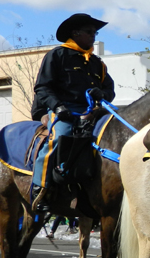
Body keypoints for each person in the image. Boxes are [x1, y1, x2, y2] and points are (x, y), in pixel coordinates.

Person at [30, 13, 115, 211]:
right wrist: (58, 107)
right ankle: (40, 188)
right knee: (61, 136)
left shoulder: (97, 63)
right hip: (64, 111)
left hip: (92, 112)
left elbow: (110, 91)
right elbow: (42, 87)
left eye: (95, 32)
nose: (93, 36)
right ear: (75, 33)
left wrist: (101, 93)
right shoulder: (57, 55)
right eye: (89, 32)